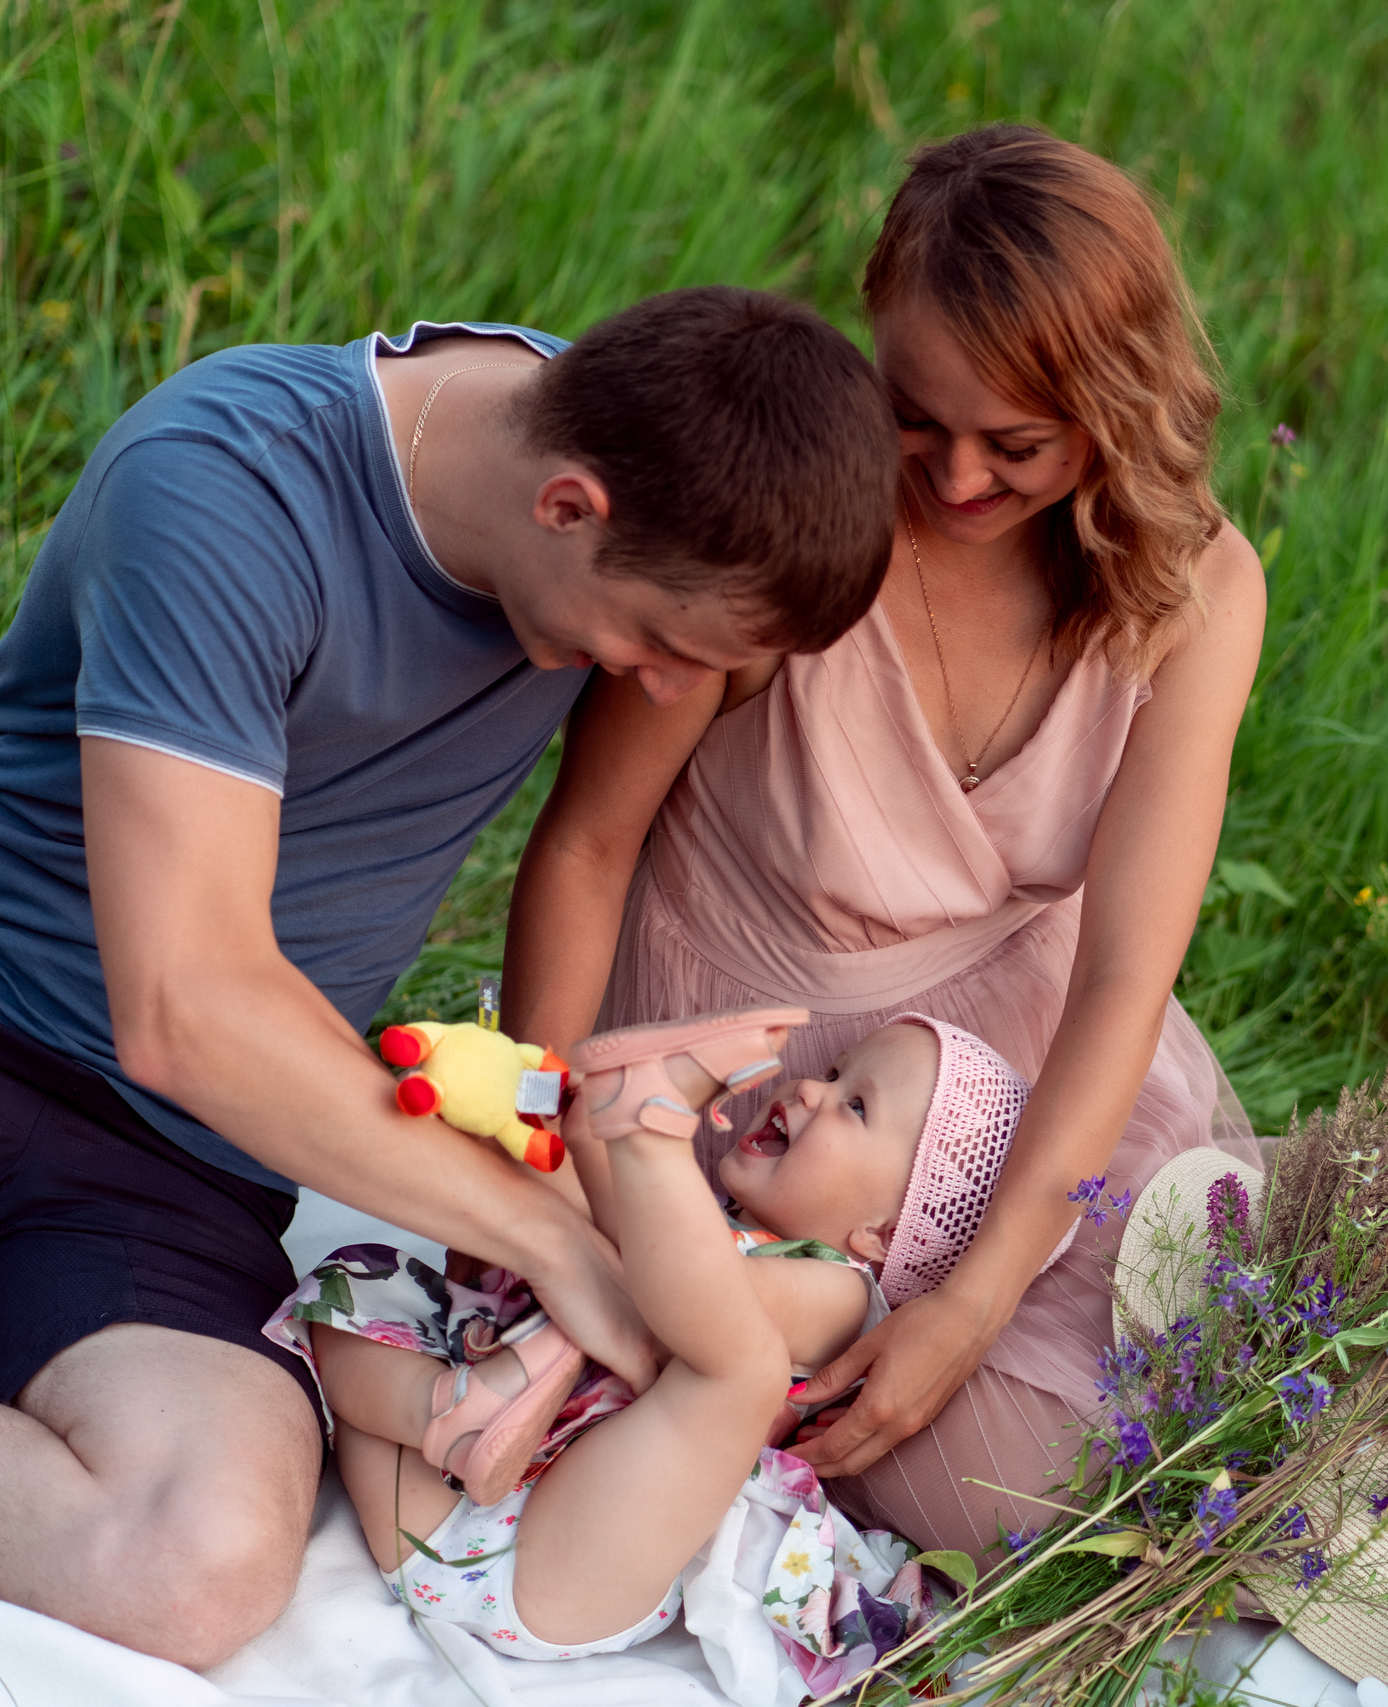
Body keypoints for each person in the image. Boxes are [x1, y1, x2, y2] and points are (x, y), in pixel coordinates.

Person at [0, 287, 899, 1666]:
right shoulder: (230, 484)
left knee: (191, 1558)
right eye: (667, 649)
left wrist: (553, 1146)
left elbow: (591, 844)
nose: (672, 691)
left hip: (188, 1158)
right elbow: (187, 1008)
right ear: (569, 504)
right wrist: (552, 1238)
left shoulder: (667, 510)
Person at [499, 125, 1268, 1561]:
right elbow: (587, 845)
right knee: (997, 1488)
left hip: (1021, 1066)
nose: (959, 479)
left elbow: (1122, 973)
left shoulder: (1196, 587)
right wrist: (542, 1159)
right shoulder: (801, 519)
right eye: (918, 416)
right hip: (757, 1067)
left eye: (1021, 443)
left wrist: (973, 1296)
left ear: (1117, 406)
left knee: (1214, 1377)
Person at [272, 1009, 1043, 1685]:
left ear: (879, 1232)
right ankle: (447, 1407)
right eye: (833, 1071)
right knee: (357, 1276)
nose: (809, 1088)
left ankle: (637, 1131)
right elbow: (595, 1244)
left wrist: (639, 1153)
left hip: (566, 1562)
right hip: (428, 1501)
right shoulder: (695, 1212)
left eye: (855, 1104)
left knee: (743, 1369)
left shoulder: (840, 1294)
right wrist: (536, 1125)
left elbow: (677, 1297)